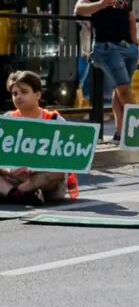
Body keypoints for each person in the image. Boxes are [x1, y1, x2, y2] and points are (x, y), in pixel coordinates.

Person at [74, 0, 139, 141]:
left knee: (120, 90)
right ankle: (138, 130)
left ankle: (120, 133)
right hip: (106, 47)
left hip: (128, 48)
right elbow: (79, 9)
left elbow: (131, 18)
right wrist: (100, 4)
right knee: (124, 89)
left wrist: (135, 44)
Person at [0, 71, 78, 206]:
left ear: (37, 95)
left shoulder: (54, 119)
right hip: (12, 177)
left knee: (57, 173)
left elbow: (68, 158)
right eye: (15, 93)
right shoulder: (7, 120)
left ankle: (17, 192)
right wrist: (9, 171)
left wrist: (36, 168)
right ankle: (17, 194)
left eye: (24, 92)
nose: (18, 97)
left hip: (42, 179)